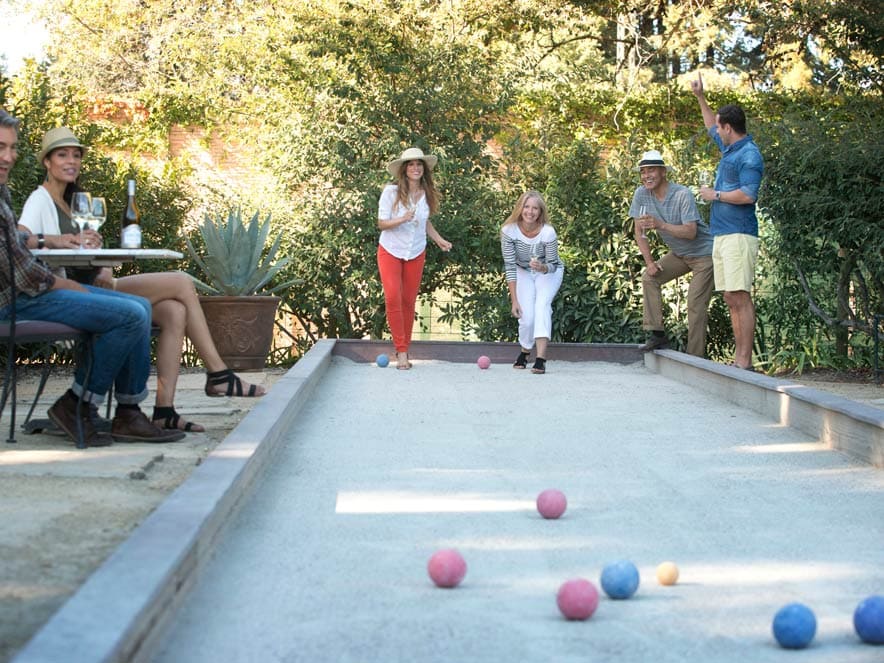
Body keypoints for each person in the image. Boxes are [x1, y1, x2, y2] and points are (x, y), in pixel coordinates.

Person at [18, 127, 266, 433]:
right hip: (74, 294)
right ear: (47, 161)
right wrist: (59, 240)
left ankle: (164, 410)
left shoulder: (73, 201)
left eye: (76, 155)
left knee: (175, 310)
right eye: (62, 154)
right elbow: (22, 239)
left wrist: (100, 259)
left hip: (95, 286)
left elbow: (80, 251)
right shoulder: (40, 199)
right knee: (181, 282)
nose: (71, 161)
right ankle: (218, 373)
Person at [0, 110, 184, 447]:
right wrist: (65, 283)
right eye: (1, 147)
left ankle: (127, 412)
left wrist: (51, 245)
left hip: (30, 291)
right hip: (14, 301)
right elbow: (23, 273)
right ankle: (77, 404)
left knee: (140, 306)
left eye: (12, 148)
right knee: (131, 315)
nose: (9, 157)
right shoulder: (29, 198)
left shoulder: (4, 194)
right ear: (46, 161)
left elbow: (18, 244)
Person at [690, 72, 764, 370]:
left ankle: (743, 363)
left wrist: (715, 195)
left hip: (739, 235)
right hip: (723, 235)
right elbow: (710, 124)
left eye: (720, 127)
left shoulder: (749, 155)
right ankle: (739, 361)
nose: (716, 131)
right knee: (730, 297)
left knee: (739, 296)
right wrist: (700, 97)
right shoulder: (730, 147)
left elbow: (748, 195)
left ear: (729, 128)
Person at [631, 149, 714, 357]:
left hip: (704, 254)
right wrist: (650, 262)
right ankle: (657, 334)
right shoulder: (641, 194)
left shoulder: (681, 194)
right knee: (649, 277)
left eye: (651, 170)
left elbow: (690, 231)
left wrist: (661, 225)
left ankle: (695, 359)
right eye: (643, 171)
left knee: (695, 304)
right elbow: (638, 231)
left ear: (663, 172)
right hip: (679, 254)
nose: (646, 175)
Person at [377, 146, 452, 370]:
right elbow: (382, 223)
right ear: (404, 169)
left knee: (408, 301)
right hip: (390, 250)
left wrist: (438, 239)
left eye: (419, 164)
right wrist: (401, 218)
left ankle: (404, 350)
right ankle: (400, 351)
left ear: (424, 169)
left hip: (416, 252)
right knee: (392, 298)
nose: (416, 168)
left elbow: (425, 222)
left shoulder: (427, 194)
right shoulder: (390, 192)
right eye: (411, 164)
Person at [500, 191, 563, 374]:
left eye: (535, 208)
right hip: (522, 271)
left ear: (540, 211)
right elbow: (510, 266)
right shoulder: (509, 231)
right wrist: (514, 300)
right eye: (526, 207)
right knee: (526, 318)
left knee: (542, 305)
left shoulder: (548, 232)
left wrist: (542, 267)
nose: (530, 212)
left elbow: (553, 264)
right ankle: (525, 351)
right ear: (520, 209)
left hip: (547, 271)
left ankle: (541, 358)